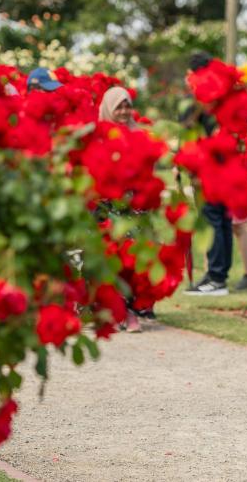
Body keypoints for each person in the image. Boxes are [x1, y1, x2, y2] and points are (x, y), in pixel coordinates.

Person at [181, 52, 233, 296]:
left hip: (210, 168)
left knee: (213, 219)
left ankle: (215, 278)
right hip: (225, 166)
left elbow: (187, 128)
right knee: (221, 220)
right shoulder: (221, 96)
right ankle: (218, 274)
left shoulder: (201, 98)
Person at [97, 86, 145, 332]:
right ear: (108, 108)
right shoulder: (98, 136)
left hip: (133, 205)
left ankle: (129, 310)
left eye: (128, 106)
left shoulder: (137, 134)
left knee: (132, 258)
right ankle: (118, 311)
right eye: (119, 106)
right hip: (103, 205)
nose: (125, 111)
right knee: (111, 257)